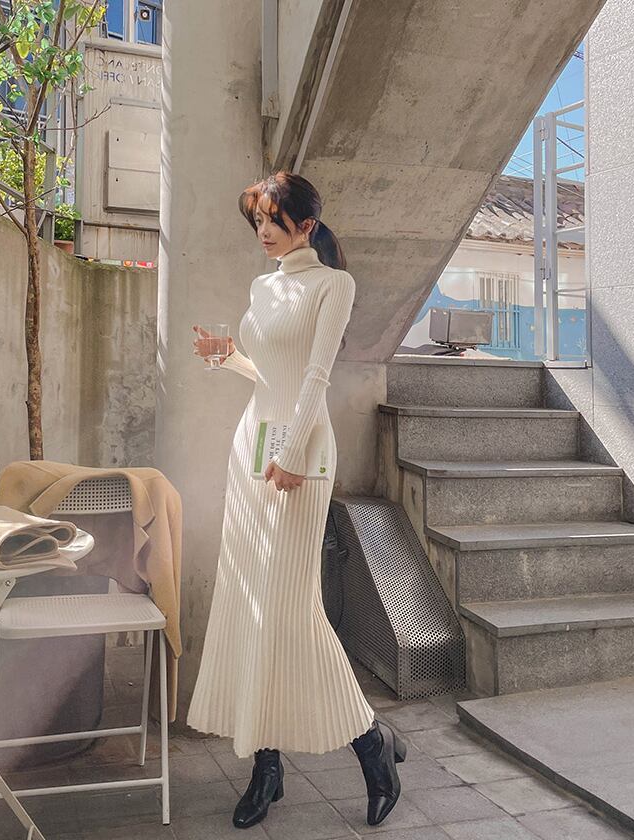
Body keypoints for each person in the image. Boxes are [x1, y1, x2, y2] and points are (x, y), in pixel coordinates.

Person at [186, 171, 406, 829]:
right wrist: (226, 357)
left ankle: (370, 743)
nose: (262, 230)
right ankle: (267, 768)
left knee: (292, 612)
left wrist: (295, 456)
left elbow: (315, 377)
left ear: (305, 225)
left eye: (273, 220)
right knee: (252, 608)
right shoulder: (263, 286)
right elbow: (268, 373)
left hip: (299, 456)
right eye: (257, 219)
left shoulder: (334, 285)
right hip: (252, 449)